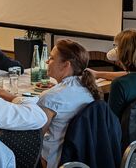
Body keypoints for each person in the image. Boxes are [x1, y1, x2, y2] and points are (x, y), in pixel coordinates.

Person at [38, 40, 101, 168]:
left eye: (51, 58)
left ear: (66, 65)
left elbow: (35, 137)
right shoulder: (89, 89)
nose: (46, 62)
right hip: (82, 158)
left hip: (55, 160)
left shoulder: (51, 97)